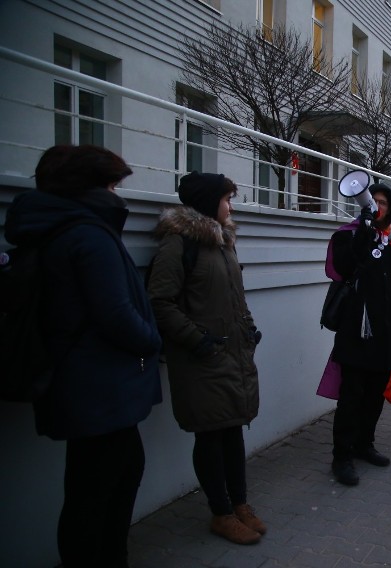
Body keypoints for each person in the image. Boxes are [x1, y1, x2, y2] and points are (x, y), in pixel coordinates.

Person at [4, 145, 162, 568]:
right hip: (99, 390)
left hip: (84, 387)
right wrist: (151, 340)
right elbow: (116, 314)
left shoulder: (60, 229)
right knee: (98, 496)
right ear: (88, 188)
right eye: (112, 185)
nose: (118, 196)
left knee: (96, 486)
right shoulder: (88, 234)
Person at [147, 172, 265, 545]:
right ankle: (221, 512)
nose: (231, 206)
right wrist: (198, 341)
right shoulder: (178, 243)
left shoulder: (223, 242)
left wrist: (248, 329)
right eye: (227, 198)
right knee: (211, 437)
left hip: (231, 355)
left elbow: (234, 296)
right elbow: (161, 303)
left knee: (232, 432)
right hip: (202, 360)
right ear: (207, 200)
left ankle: (241, 504)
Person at [325, 184, 391, 486]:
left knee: (375, 395)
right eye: (373, 201)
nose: (378, 206)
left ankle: (364, 445)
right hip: (356, 331)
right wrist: (364, 233)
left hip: (387, 332)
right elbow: (342, 267)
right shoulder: (348, 235)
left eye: (383, 202)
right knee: (351, 396)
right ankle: (341, 456)